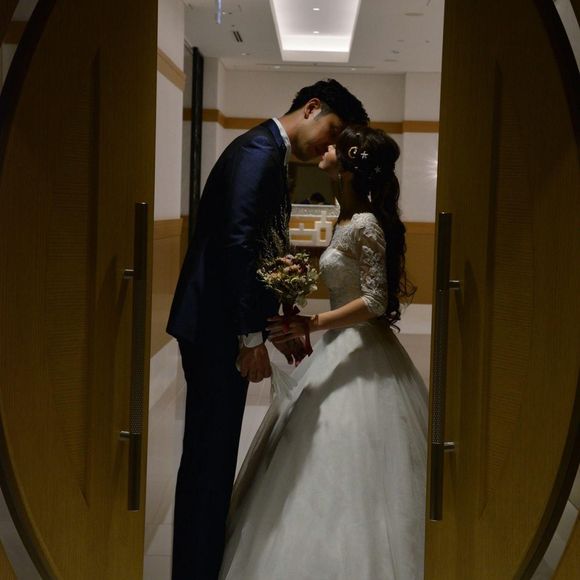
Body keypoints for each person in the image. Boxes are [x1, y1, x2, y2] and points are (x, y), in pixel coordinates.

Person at [166, 79, 369, 580]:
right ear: (312, 108)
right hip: (215, 329)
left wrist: (278, 316)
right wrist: (250, 339)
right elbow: (236, 247)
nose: (329, 146)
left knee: (212, 458)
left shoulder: (267, 154)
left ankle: (199, 565)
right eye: (333, 131)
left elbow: (260, 250)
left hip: (217, 324)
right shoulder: (258, 153)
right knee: (209, 461)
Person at [219, 126, 428, 580]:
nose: (327, 148)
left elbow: (375, 301)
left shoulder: (366, 222)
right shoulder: (342, 214)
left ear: (349, 164)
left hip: (361, 351)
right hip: (336, 342)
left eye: (335, 145)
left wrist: (312, 323)